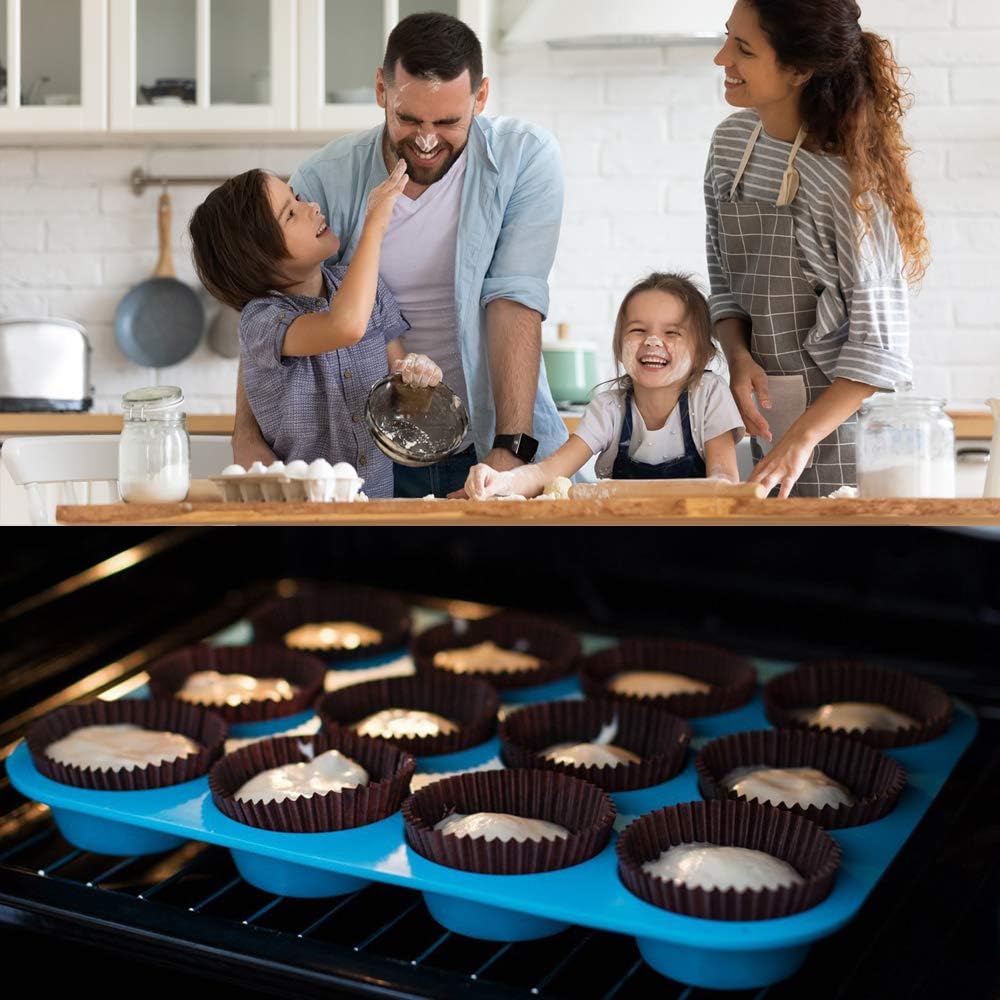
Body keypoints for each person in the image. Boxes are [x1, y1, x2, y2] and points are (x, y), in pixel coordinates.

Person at [232, 12, 567, 497]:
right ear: (381, 91)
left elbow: (514, 299)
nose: (427, 141)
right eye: (409, 119)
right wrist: (245, 433)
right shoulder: (325, 178)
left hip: (492, 443)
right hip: (366, 456)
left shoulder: (525, 159)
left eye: (449, 121)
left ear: (481, 97)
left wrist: (509, 448)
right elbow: (270, 304)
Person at [706, 0, 929, 497]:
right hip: (774, 425)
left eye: (743, 49)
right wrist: (738, 356)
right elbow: (722, 281)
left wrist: (801, 439)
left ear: (799, 71)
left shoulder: (844, 187)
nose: (722, 58)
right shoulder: (728, 146)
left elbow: (880, 351)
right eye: (727, 38)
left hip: (853, 441)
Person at [189, 162, 442, 499]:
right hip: (301, 522)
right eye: (290, 214)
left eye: (297, 198)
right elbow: (345, 326)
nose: (311, 207)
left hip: (379, 512)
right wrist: (375, 224)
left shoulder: (370, 291)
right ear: (258, 257)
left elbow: (400, 402)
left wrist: (418, 381)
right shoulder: (262, 322)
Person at [464, 273, 744, 500]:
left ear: (704, 354)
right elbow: (549, 472)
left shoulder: (709, 395)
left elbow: (724, 482)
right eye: (638, 330)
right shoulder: (610, 408)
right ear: (619, 344)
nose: (652, 341)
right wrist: (501, 481)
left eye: (672, 333)